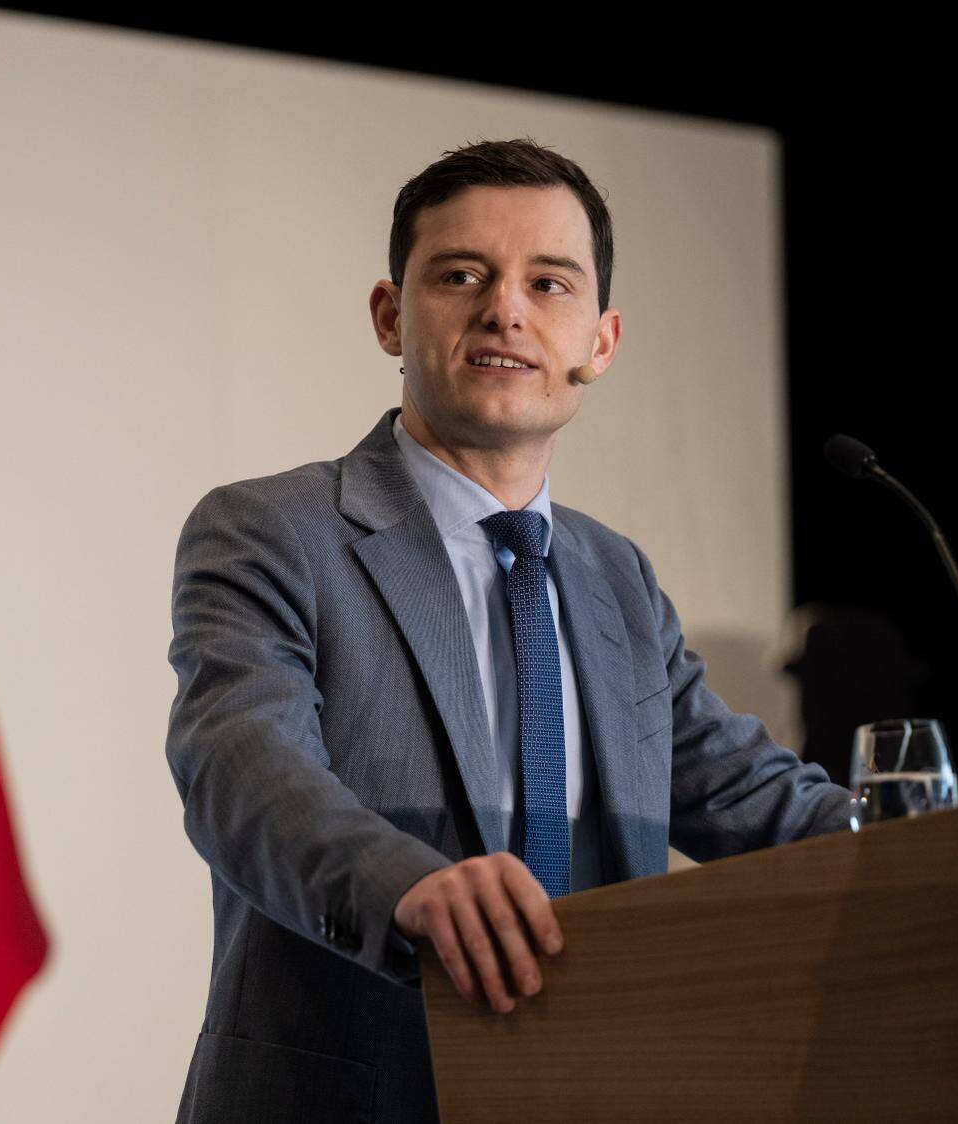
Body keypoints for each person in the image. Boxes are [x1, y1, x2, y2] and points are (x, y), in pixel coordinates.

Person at [164, 138, 852, 1122]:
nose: (505, 309)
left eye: (548, 282)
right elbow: (242, 771)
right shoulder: (272, 531)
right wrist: (412, 887)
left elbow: (750, 792)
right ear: (388, 315)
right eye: (460, 275)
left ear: (600, 340)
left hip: (596, 1089)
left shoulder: (616, 577)